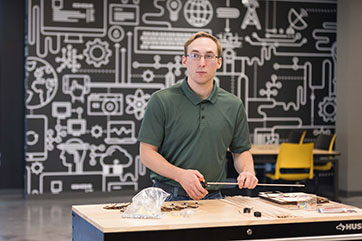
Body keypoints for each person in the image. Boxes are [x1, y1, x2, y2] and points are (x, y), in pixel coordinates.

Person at [138, 32, 258, 201]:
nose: (202, 63)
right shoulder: (161, 100)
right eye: (195, 55)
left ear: (219, 62)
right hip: (168, 196)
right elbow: (146, 154)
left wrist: (247, 171)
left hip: (214, 198)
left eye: (209, 56)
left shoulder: (233, 105)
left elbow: (240, 152)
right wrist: (181, 175)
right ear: (184, 60)